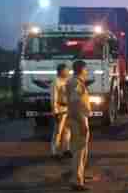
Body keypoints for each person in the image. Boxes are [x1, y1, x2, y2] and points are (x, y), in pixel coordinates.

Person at [66, 60, 92, 191]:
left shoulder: (74, 82)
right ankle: (76, 181)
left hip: (77, 118)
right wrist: (83, 123)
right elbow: (75, 105)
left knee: (81, 150)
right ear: (81, 69)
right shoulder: (76, 83)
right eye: (86, 69)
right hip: (78, 119)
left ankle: (80, 176)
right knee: (79, 151)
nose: (87, 72)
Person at [50, 63, 72, 159]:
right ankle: (55, 152)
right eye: (66, 70)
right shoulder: (56, 82)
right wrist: (55, 112)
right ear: (60, 71)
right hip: (60, 109)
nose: (67, 72)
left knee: (68, 131)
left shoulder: (68, 81)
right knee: (58, 131)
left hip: (69, 108)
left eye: (68, 70)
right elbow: (53, 98)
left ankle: (66, 149)